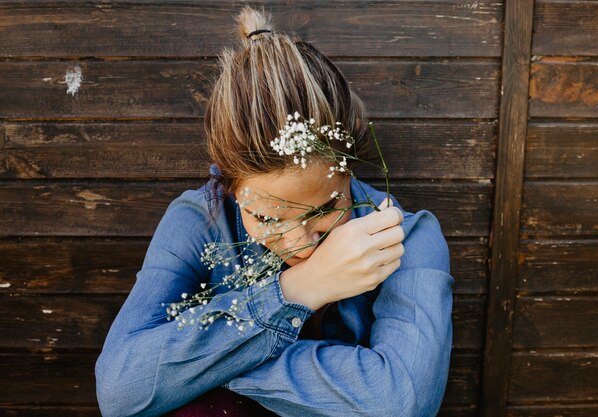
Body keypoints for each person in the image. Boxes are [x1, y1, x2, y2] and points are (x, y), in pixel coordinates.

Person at [95, 5, 454, 417]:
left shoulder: (408, 239)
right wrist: (302, 289)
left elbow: (400, 403)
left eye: (324, 208)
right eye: (267, 218)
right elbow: (120, 390)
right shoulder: (199, 221)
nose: (298, 241)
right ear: (227, 187)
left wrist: (201, 364)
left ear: (349, 169)